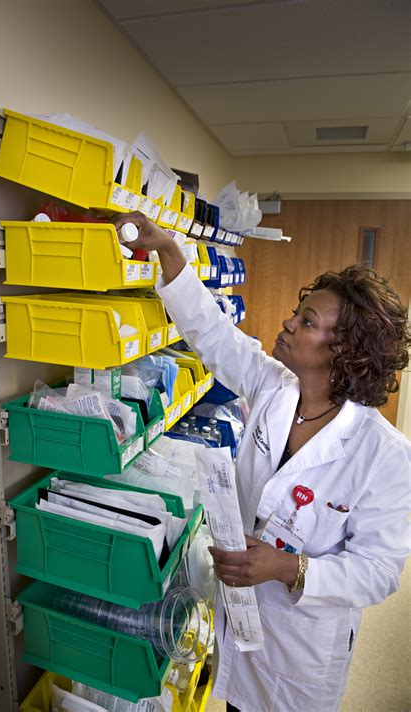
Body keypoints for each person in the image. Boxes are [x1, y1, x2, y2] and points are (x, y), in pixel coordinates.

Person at [113, 212, 411, 712]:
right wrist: (165, 247)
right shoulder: (275, 386)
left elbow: (378, 572)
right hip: (241, 614)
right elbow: (210, 332)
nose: (288, 323)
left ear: (345, 352)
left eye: (308, 322)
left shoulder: (383, 454)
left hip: (304, 643)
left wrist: (286, 567)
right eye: (299, 311)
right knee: (235, 704)